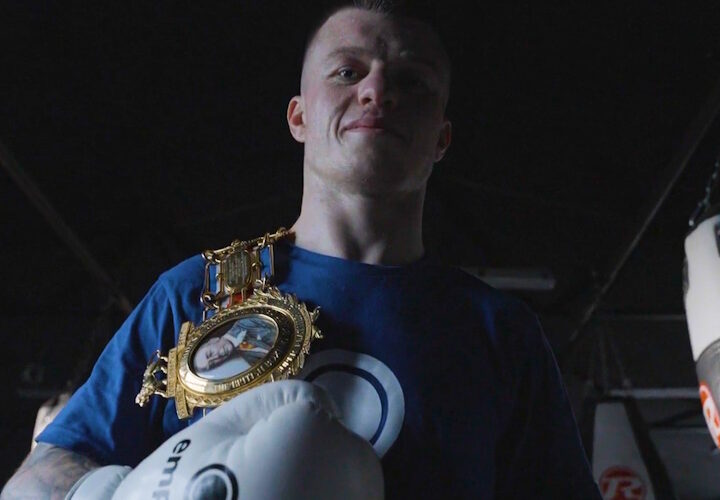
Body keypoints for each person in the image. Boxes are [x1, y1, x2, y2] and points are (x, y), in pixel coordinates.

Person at [1, 1, 602, 498]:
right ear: (298, 117)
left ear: (442, 138)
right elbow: (36, 479)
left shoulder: (500, 333)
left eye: (411, 81)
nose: (377, 91)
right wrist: (140, 492)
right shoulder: (195, 293)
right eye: (347, 72)